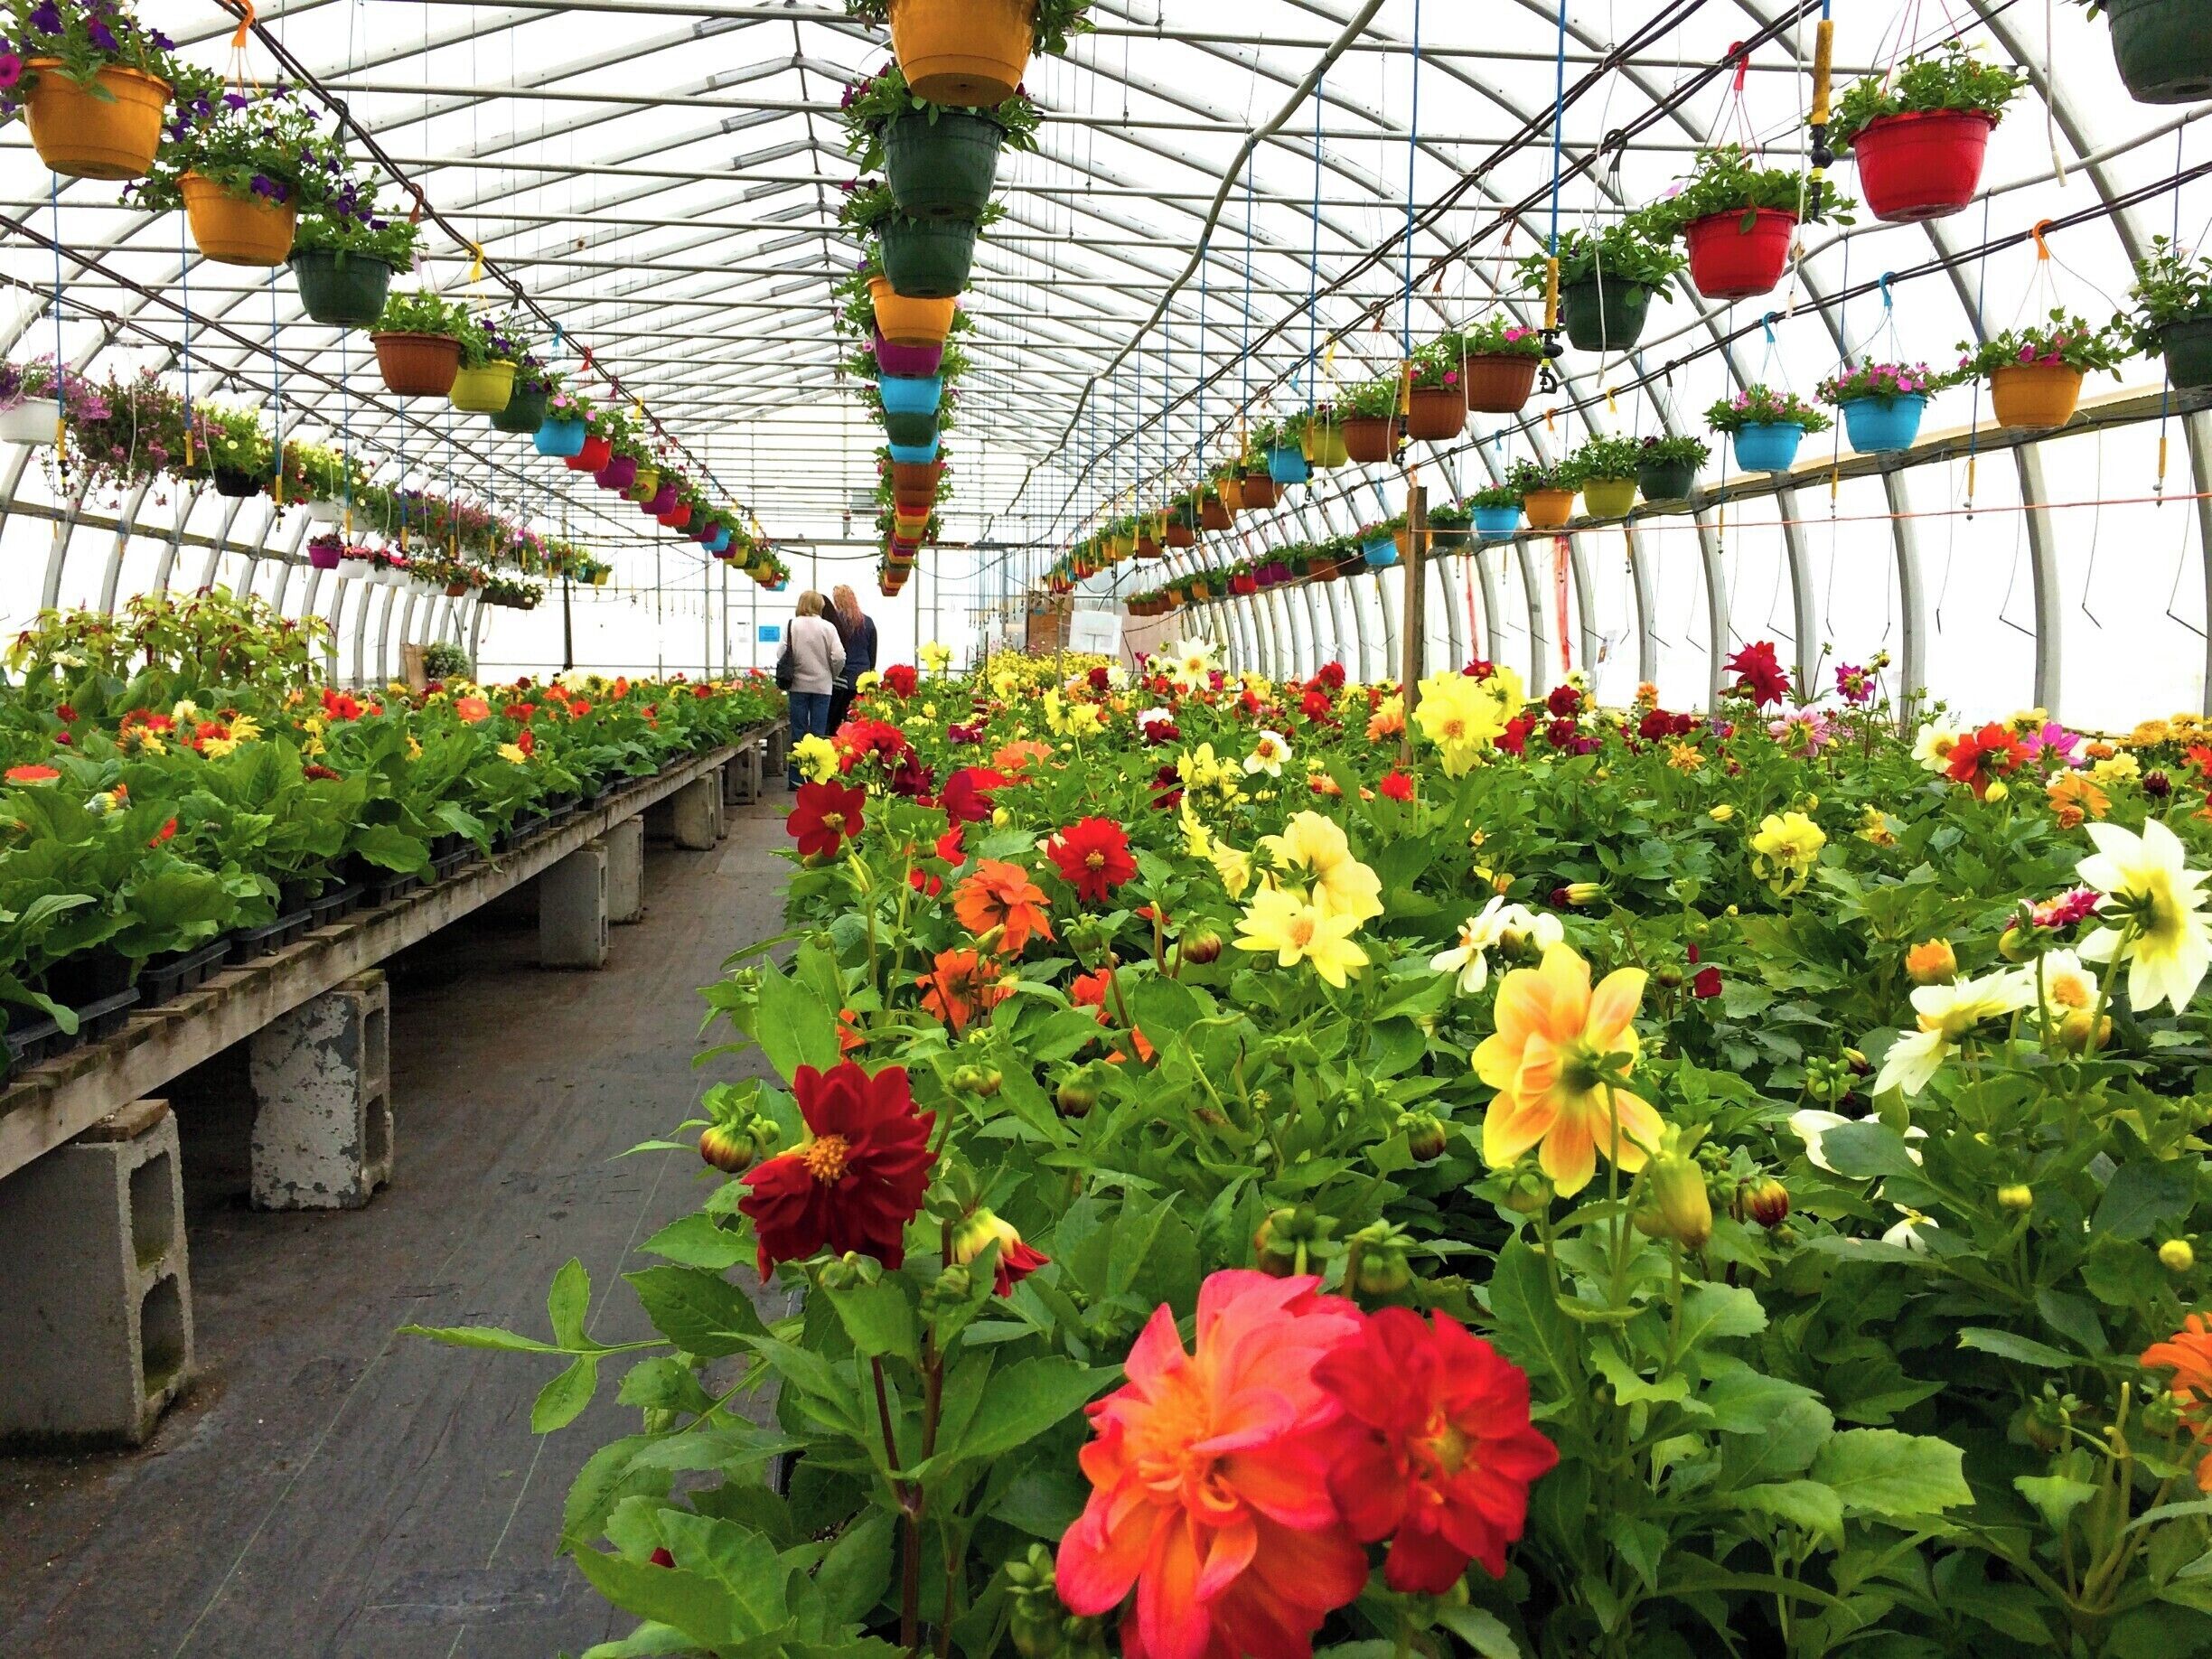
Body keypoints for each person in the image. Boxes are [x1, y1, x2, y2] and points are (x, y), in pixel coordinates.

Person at [782, 590, 845, 787]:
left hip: (797, 685)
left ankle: (796, 779)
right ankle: (818, 778)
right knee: (819, 733)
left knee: (798, 732)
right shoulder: (828, 627)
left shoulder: (792, 625)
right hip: (822, 686)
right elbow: (839, 656)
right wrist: (831, 673)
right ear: (819, 606)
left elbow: (781, 652)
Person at [827, 584, 877, 733]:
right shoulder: (867, 622)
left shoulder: (833, 623)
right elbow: (872, 653)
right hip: (861, 677)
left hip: (840, 678)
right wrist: (869, 671)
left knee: (834, 720)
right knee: (859, 718)